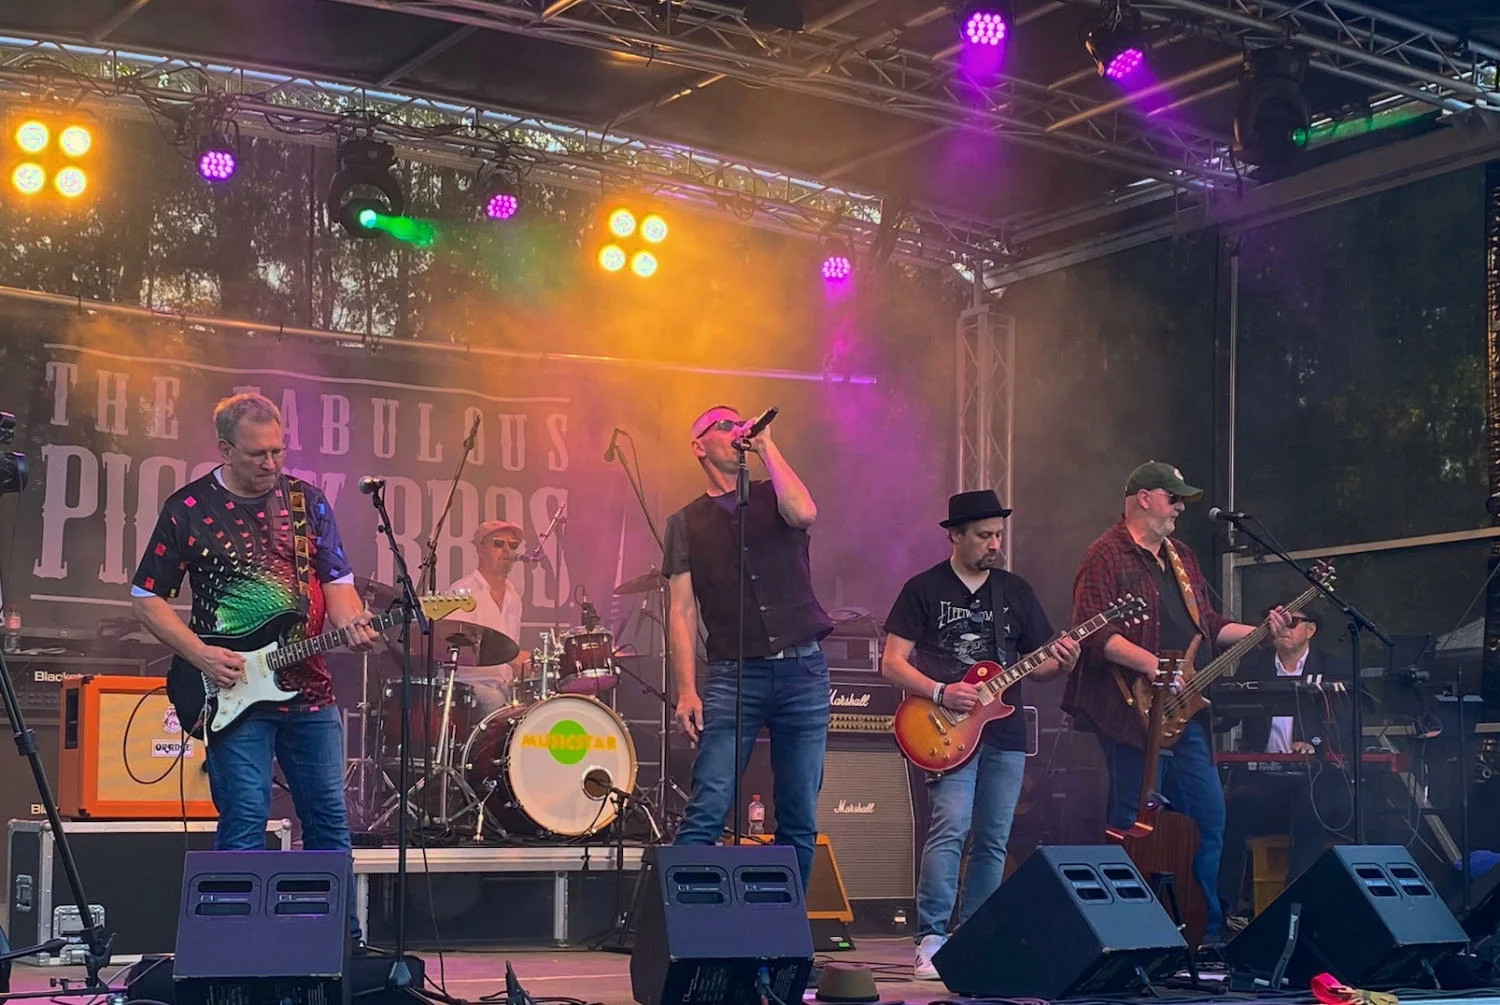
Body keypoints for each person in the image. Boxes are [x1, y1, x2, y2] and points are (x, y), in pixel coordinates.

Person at [130, 393, 376, 927]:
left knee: (329, 820)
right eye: (257, 453)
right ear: (225, 449)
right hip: (231, 689)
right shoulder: (188, 508)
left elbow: (337, 583)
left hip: (309, 687)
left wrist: (351, 622)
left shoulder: (307, 502)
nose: (270, 463)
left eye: (278, 451)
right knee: (244, 819)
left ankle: (338, 942)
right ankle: (235, 946)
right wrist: (200, 654)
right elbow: (146, 597)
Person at [1067, 461, 1290, 950]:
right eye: (1173, 499)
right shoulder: (1104, 554)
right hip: (1128, 711)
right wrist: (1152, 665)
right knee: (1133, 822)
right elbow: (1093, 632)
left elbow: (1208, 623)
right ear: (1144, 497)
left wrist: (1262, 633)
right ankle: (1131, 933)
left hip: (1184, 709)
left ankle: (1202, 932)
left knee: (1208, 817)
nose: (1180, 509)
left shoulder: (1181, 556)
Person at [882, 490, 1080, 979]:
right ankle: (931, 937)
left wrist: (1063, 663)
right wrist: (941, 691)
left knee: (993, 838)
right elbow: (892, 663)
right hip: (944, 728)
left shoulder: (1015, 591)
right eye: (985, 535)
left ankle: (976, 936)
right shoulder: (923, 589)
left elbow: (1037, 666)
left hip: (1004, 732)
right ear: (955, 535)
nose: (995, 544)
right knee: (950, 827)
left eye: (999, 535)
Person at [664, 405, 832, 888]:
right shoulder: (685, 522)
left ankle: (783, 924)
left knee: (798, 813)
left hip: (802, 671)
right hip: (735, 676)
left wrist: (766, 445)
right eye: (723, 424)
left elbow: (805, 512)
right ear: (698, 446)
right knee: (708, 804)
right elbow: (681, 610)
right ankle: (690, 921)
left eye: (739, 422)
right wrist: (686, 690)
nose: (735, 429)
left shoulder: (773, 494)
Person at [1218, 602, 1348, 917]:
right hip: (1261, 778)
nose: (1282, 628)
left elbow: (1346, 724)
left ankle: (1290, 911)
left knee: (1310, 809)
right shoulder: (1255, 663)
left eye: (1292, 622)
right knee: (1227, 815)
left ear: (1311, 629)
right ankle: (1222, 911)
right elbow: (1226, 716)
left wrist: (1314, 745)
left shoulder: (1332, 667)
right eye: (1276, 622)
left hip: (1313, 778)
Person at [445, 519, 528, 714]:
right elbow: (450, 646)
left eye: (513, 545)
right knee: (496, 702)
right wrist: (510, 656)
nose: (507, 550)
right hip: (466, 685)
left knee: (535, 707)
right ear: (480, 549)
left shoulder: (514, 597)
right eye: (498, 543)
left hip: (503, 686)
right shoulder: (463, 591)